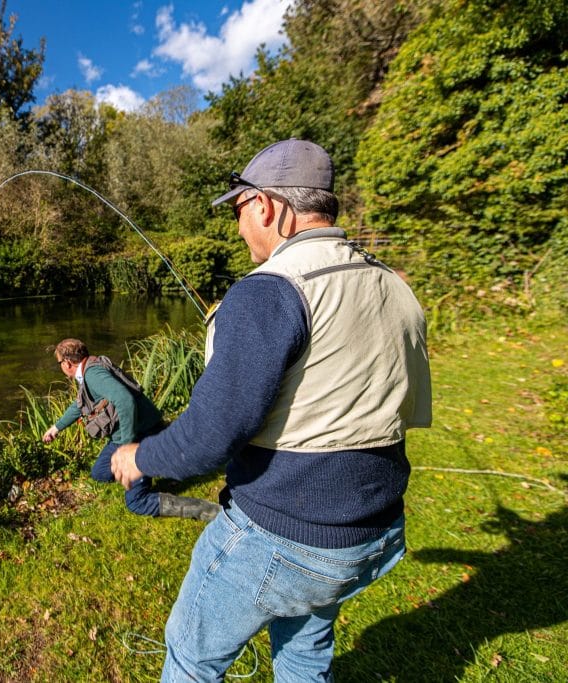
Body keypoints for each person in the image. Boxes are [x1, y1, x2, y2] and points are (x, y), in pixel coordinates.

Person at [111, 139, 432, 682]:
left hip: (289, 535)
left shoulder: (268, 292)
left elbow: (210, 437)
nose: (239, 227)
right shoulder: (390, 283)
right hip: (371, 531)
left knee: (191, 654)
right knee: (305, 653)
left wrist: (138, 456)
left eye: (239, 210)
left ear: (266, 206)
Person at [42, 338, 220, 521]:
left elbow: (125, 400)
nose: (60, 367)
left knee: (137, 502)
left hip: (139, 433)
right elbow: (81, 404)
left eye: (59, 363)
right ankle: (156, 458)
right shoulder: (90, 369)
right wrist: (56, 427)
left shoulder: (92, 374)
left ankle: (206, 510)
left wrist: (128, 447)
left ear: (67, 362)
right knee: (100, 472)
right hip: (134, 432)